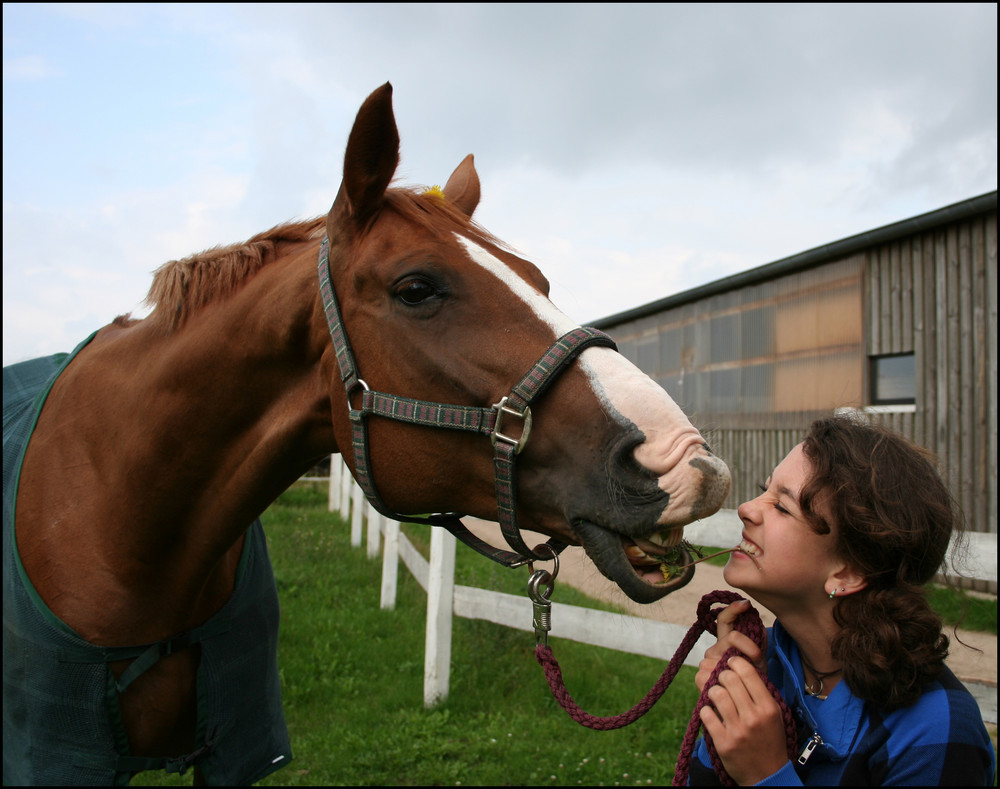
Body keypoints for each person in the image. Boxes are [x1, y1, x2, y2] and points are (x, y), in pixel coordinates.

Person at [687, 415, 996, 785]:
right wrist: (730, 709)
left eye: (783, 507)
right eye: (763, 489)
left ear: (848, 574)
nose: (747, 508)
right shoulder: (766, 667)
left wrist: (765, 774)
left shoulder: (935, 732)